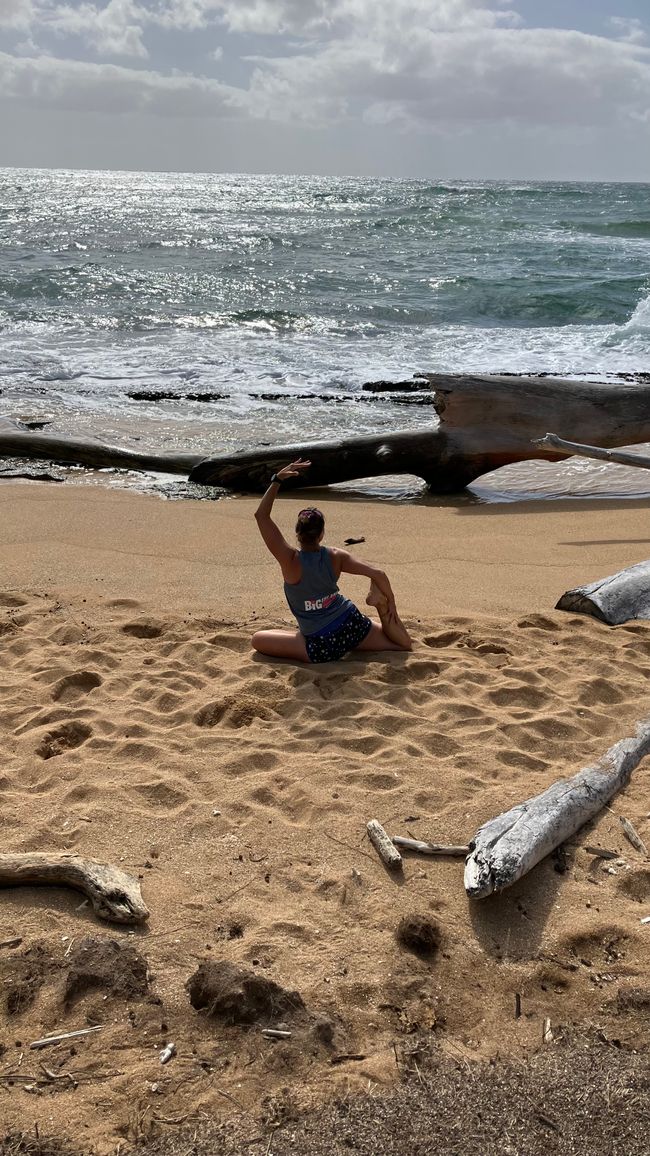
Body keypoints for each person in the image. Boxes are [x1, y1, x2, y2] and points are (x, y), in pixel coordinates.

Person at [251, 458, 413, 663]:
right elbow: (378, 574)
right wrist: (391, 606)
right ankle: (381, 609)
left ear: (297, 534)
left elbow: (261, 516)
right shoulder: (336, 556)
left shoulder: (289, 560)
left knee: (258, 639)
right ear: (321, 535)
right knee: (402, 644)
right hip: (351, 626)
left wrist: (277, 479)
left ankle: (302, 635)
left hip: (321, 645)